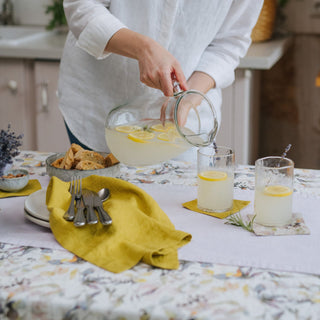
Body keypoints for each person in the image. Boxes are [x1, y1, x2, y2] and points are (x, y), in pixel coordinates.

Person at [58, 0, 263, 160]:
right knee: (99, 205)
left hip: (186, 124)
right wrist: (143, 49)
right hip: (97, 107)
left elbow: (229, 42)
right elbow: (82, 6)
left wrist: (190, 97)